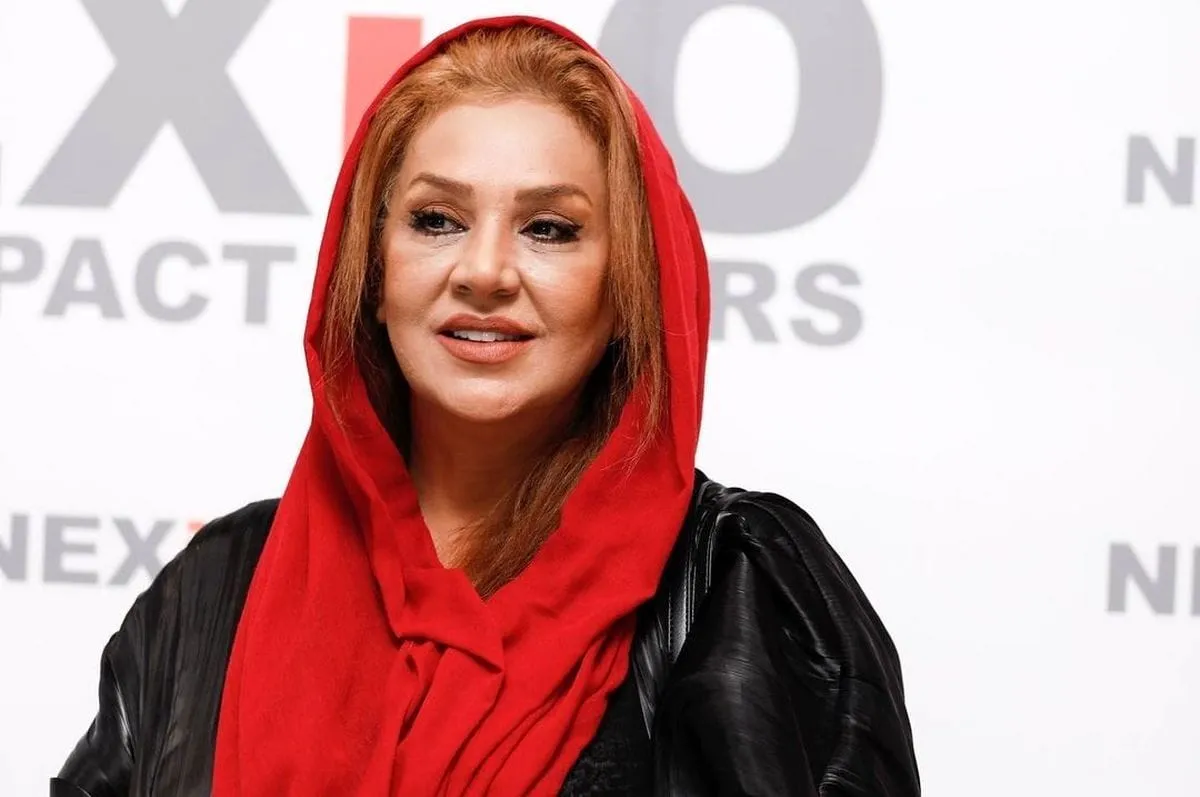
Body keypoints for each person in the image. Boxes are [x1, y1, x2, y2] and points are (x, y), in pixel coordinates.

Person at [51, 16, 920, 797]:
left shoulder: (737, 592)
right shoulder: (213, 591)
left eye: (550, 228)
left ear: (629, 290)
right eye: (436, 219)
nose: (484, 271)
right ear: (372, 272)